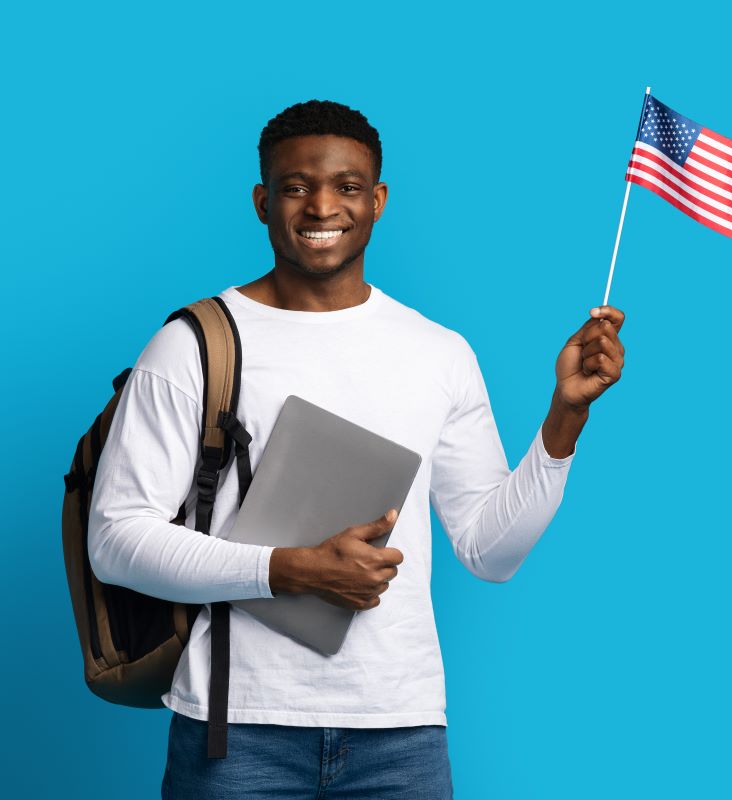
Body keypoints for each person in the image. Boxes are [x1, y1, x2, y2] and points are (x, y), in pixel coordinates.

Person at [87, 99, 626, 799]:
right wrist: (290, 570)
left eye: (346, 187)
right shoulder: (193, 345)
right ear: (261, 201)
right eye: (295, 186)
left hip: (400, 734)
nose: (321, 207)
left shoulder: (438, 353)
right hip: (236, 730)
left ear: (377, 200)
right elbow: (116, 538)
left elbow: (490, 553)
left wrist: (564, 418)